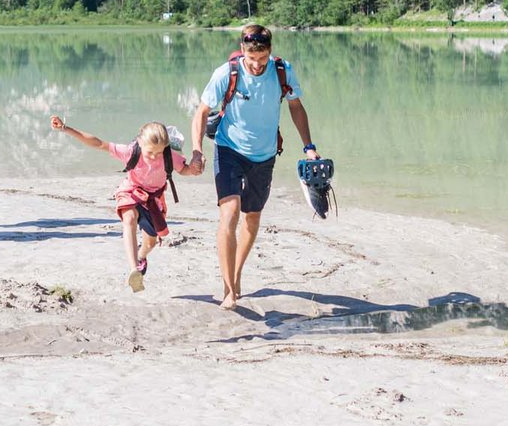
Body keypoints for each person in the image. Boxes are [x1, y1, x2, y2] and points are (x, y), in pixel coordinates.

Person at [188, 24, 318, 311]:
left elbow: (296, 107)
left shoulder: (282, 70)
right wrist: (197, 150)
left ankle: (236, 273)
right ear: (243, 51)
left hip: (265, 155)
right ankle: (228, 288)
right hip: (229, 149)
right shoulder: (227, 73)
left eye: (262, 59)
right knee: (230, 213)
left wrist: (309, 147)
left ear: (269, 52)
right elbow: (201, 112)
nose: (257, 65)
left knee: (252, 218)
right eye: (251, 59)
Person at [50, 116, 204, 292]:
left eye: (159, 152)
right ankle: (133, 270)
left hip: (153, 200)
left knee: (151, 243)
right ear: (140, 142)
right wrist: (66, 128)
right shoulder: (131, 151)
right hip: (130, 191)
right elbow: (98, 143)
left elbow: (183, 169)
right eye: (150, 152)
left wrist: (193, 169)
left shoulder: (170, 156)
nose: (154, 156)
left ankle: (140, 257)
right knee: (129, 219)